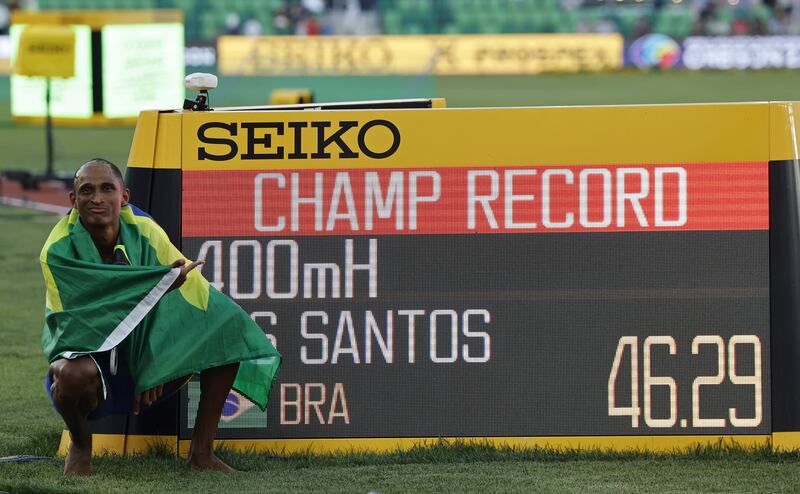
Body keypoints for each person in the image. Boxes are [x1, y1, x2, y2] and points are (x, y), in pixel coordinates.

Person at [40, 158, 281, 475]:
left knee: (227, 324)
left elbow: (192, 299)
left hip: (142, 353)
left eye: (106, 188)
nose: (96, 198)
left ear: (124, 196)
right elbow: (76, 325)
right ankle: (81, 443)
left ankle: (202, 453)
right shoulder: (57, 249)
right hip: (88, 356)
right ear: (73, 200)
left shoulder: (146, 231)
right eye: (86, 190)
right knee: (69, 376)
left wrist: (153, 361)